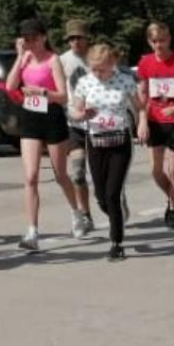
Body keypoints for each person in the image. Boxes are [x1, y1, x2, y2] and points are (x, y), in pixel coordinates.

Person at [5, 18, 80, 251]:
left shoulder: (53, 60)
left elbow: (63, 96)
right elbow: (10, 86)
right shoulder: (25, 58)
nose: (30, 43)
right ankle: (32, 231)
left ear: (43, 38)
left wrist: (42, 91)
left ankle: (77, 213)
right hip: (30, 119)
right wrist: (19, 57)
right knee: (30, 176)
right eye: (26, 39)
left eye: (34, 39)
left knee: (60, 175)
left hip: (52, 118)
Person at [70, 43, 141, 260]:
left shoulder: (125, 80)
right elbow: (74, 110)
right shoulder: (85, 82)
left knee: (112, 193)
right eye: (94, 69)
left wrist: (143, 124)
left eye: (101, 69)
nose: (97, 73)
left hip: (120, 142)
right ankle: (117, 212)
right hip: (96, 143)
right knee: (100, 195)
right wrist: (81, 114)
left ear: (112, 64)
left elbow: (140, 107)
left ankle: (116, 242)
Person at [136, 22, 174, 229]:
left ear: (169, 39)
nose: (159, 45)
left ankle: (172, 209)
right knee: (156, 171)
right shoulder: (145, 63)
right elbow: (142, 93)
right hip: (154, 121)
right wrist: (141, 120)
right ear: (150, 42)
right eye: (155, 41)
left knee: (173, 169)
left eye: (163, 40)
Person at [60, 19, 95, 238]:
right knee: (78, 172)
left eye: (78, 37)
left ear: (86, 38)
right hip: (74, 124)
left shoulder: (96, 58)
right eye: (71, 38)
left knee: (102, 176)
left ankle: (114, 201)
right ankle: (85, 215)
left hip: (98, 124)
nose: (74, 42)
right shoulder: (62, 60)